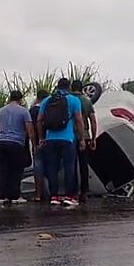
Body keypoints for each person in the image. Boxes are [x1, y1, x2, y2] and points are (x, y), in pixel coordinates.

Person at [37, 78, 86, 207]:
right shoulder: (74, 100)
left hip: (50, 139)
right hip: (68, 139)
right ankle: (70, 196)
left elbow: (39, 120)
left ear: (57, 86)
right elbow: (79, 120)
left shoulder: (47, 100)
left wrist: (42, 137)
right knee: (70, 167)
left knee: (52, 167)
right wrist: (81, 139)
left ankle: (54, 196)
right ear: (69, 87)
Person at [0, 90, 34, 206]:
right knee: (16, 171)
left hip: (0, 143)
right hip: (16, 144)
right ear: (20, 100)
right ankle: (14, 196)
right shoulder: (24, 111)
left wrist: (3, 132)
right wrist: (33, 143)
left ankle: (1, 196)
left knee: (1, 170)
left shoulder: (0, 111)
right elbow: (29, 129)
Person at [71, 80, 98, 203]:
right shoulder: (87, 101)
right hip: (85, 136)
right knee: (83, 165)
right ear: (82, 89)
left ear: (72, 88)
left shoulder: (68, 100)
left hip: (70, 136)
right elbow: (93, 121)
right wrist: (93, 138)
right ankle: (84, 192)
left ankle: (72, 192)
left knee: (70, 165)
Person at [29, 89, 49, 201]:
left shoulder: (33, 110)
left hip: (38, 141)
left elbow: (30, 127)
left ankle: (38, 194)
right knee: (51, 167)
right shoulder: (50, 108)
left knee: (38, 168)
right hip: (51, 140)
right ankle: (52, 193)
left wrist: (33, 143)